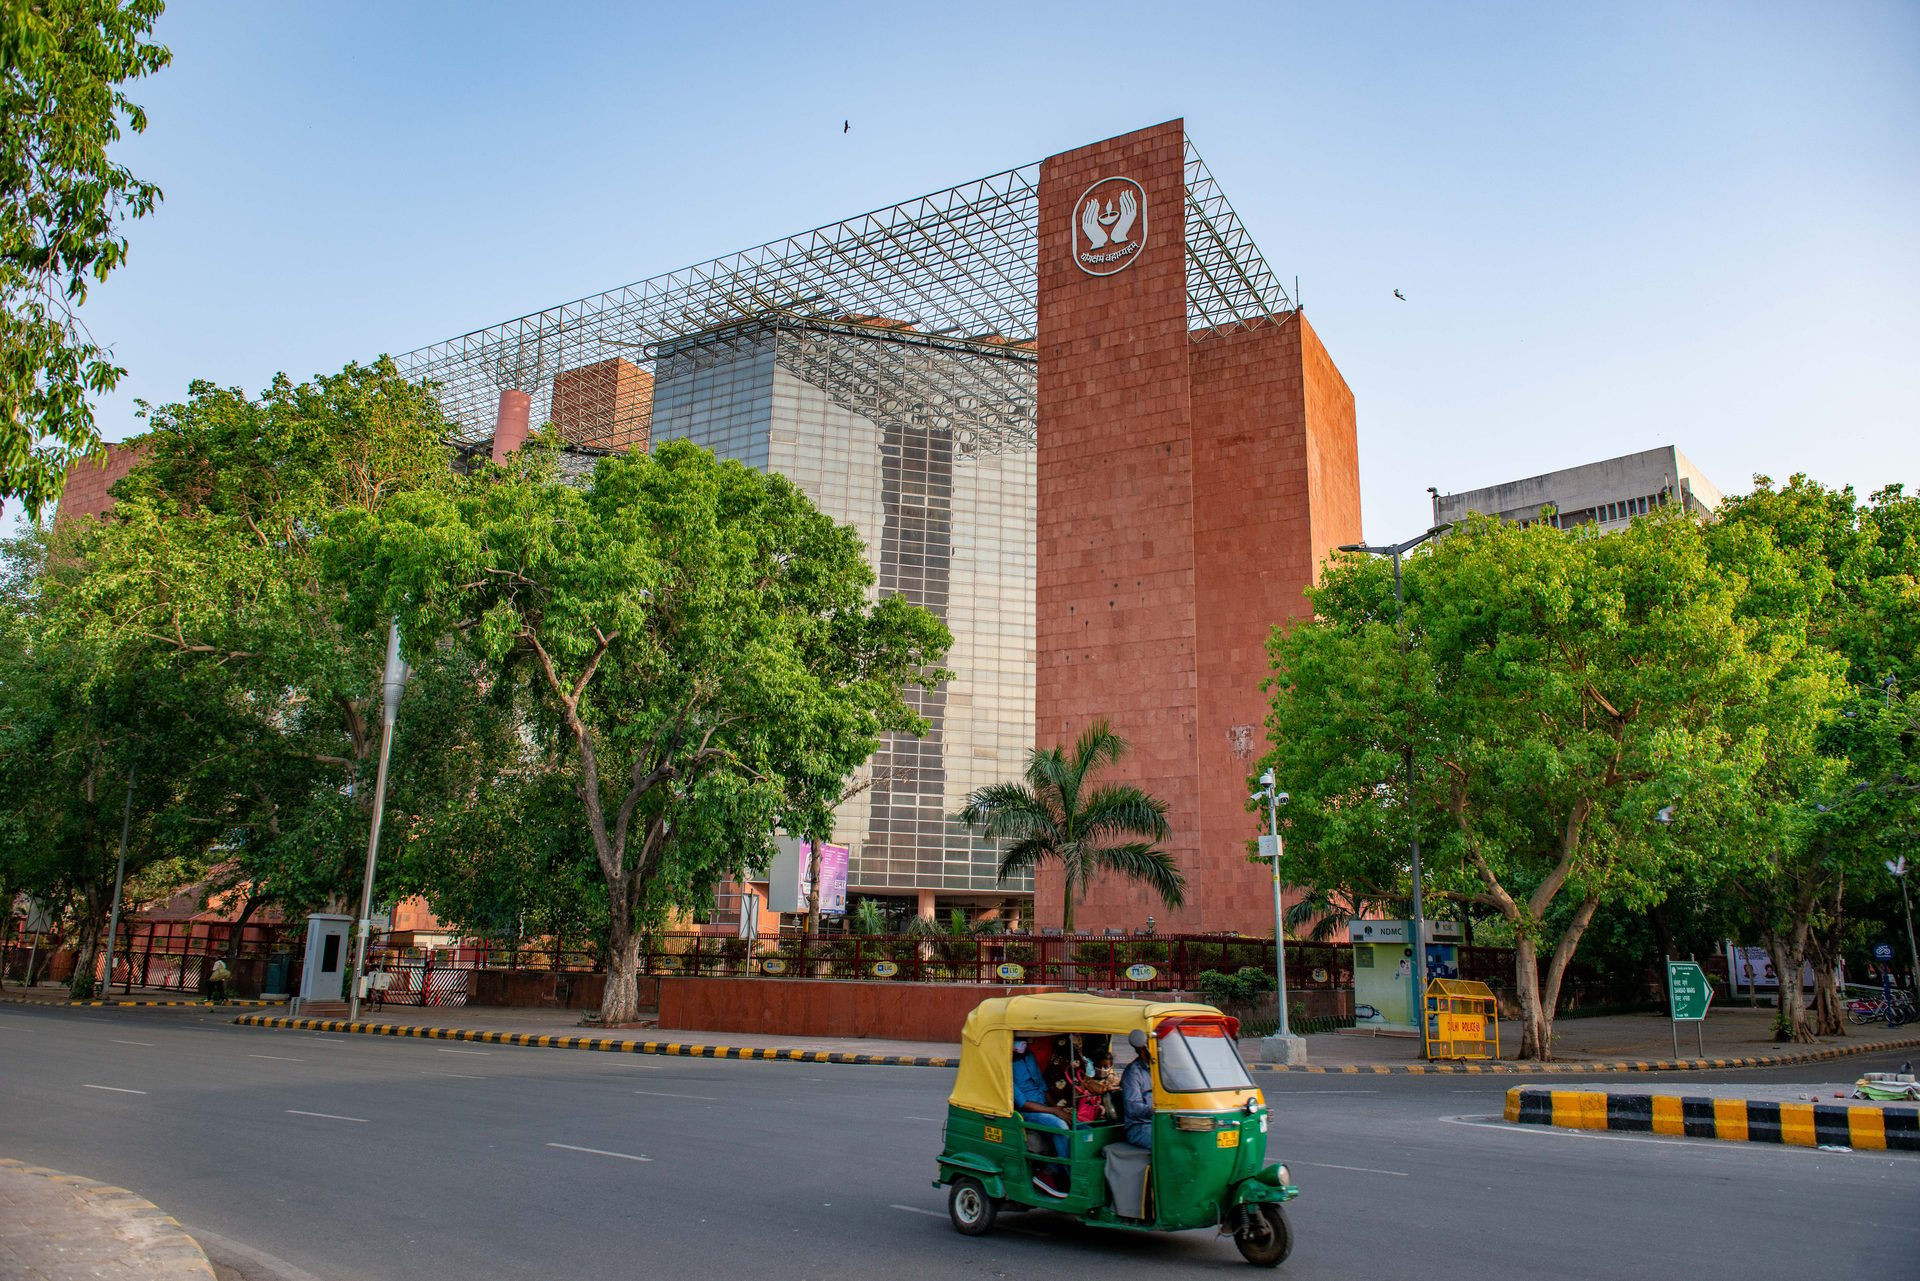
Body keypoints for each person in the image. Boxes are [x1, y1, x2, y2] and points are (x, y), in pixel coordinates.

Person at [1013, 1037, 1071, 1197]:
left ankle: (1058, 1170)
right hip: (1028, 1112)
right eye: (1018, 1040)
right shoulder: (1004, 1065)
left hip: (1045, 1107)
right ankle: (1064, 1176)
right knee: (1060, 1127)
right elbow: (1023, 1103)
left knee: (1078, 1124)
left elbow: (1042, 1087)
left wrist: (1059, 1108)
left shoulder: (1029, 1057)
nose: (1022, 1043)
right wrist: (1053, 1111)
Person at [1119, 1028, 1155, 1149]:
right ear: (1143, 1050)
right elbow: (1133, 1108)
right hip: (1140, 1127)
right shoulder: (1133, 1072)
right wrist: (1155, 1111)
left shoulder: (1161, 1070)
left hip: (1160, 1123)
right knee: (1166, 1143)